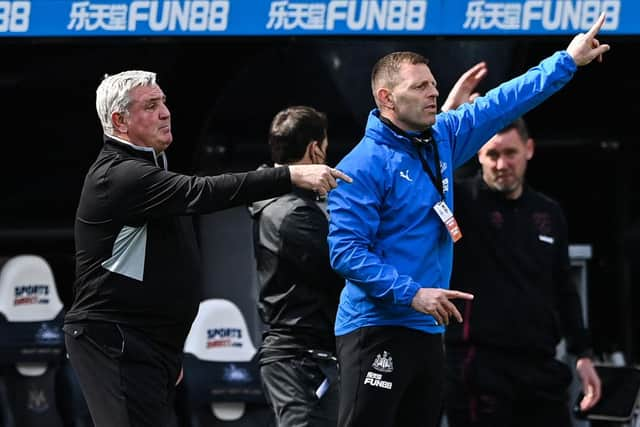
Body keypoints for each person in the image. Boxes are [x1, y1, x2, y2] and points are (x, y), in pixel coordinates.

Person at [326, 13, 609, 427]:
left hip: (427, 333)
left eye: (434, 85)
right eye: (419, 86)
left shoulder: (441, 138)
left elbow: (504, 102)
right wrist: (413, 293)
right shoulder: (362, 165)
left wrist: (565, 60)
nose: (433, 93)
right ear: (386, 99)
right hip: (376, 329)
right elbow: (346, 253)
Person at [62, 70, 351, 427]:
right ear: (120, 121)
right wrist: (290, 175)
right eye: (151, 106)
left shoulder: (149, 165)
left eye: (164, 102)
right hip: (115, 338)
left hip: (149, 342)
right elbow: (202, 192)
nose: (166, 112)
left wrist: (169, 344)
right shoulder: (120, 174)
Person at [441, 116, 602, 426]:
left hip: (541, 367)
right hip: (479, 366)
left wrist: (583, 354)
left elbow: (564, 288)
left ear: (529, 149)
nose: (502, 164)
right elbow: (430, 170)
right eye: (492, 155)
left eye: (510, 153)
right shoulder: (461, 201)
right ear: (478, 155)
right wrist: (455, 116)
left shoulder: (548, 212)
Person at [248, 105, 343, 426]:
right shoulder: (294, 213)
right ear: (316, 149)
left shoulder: (276, 197)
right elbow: (344, 268)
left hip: (307, 355)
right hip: (301, 357)